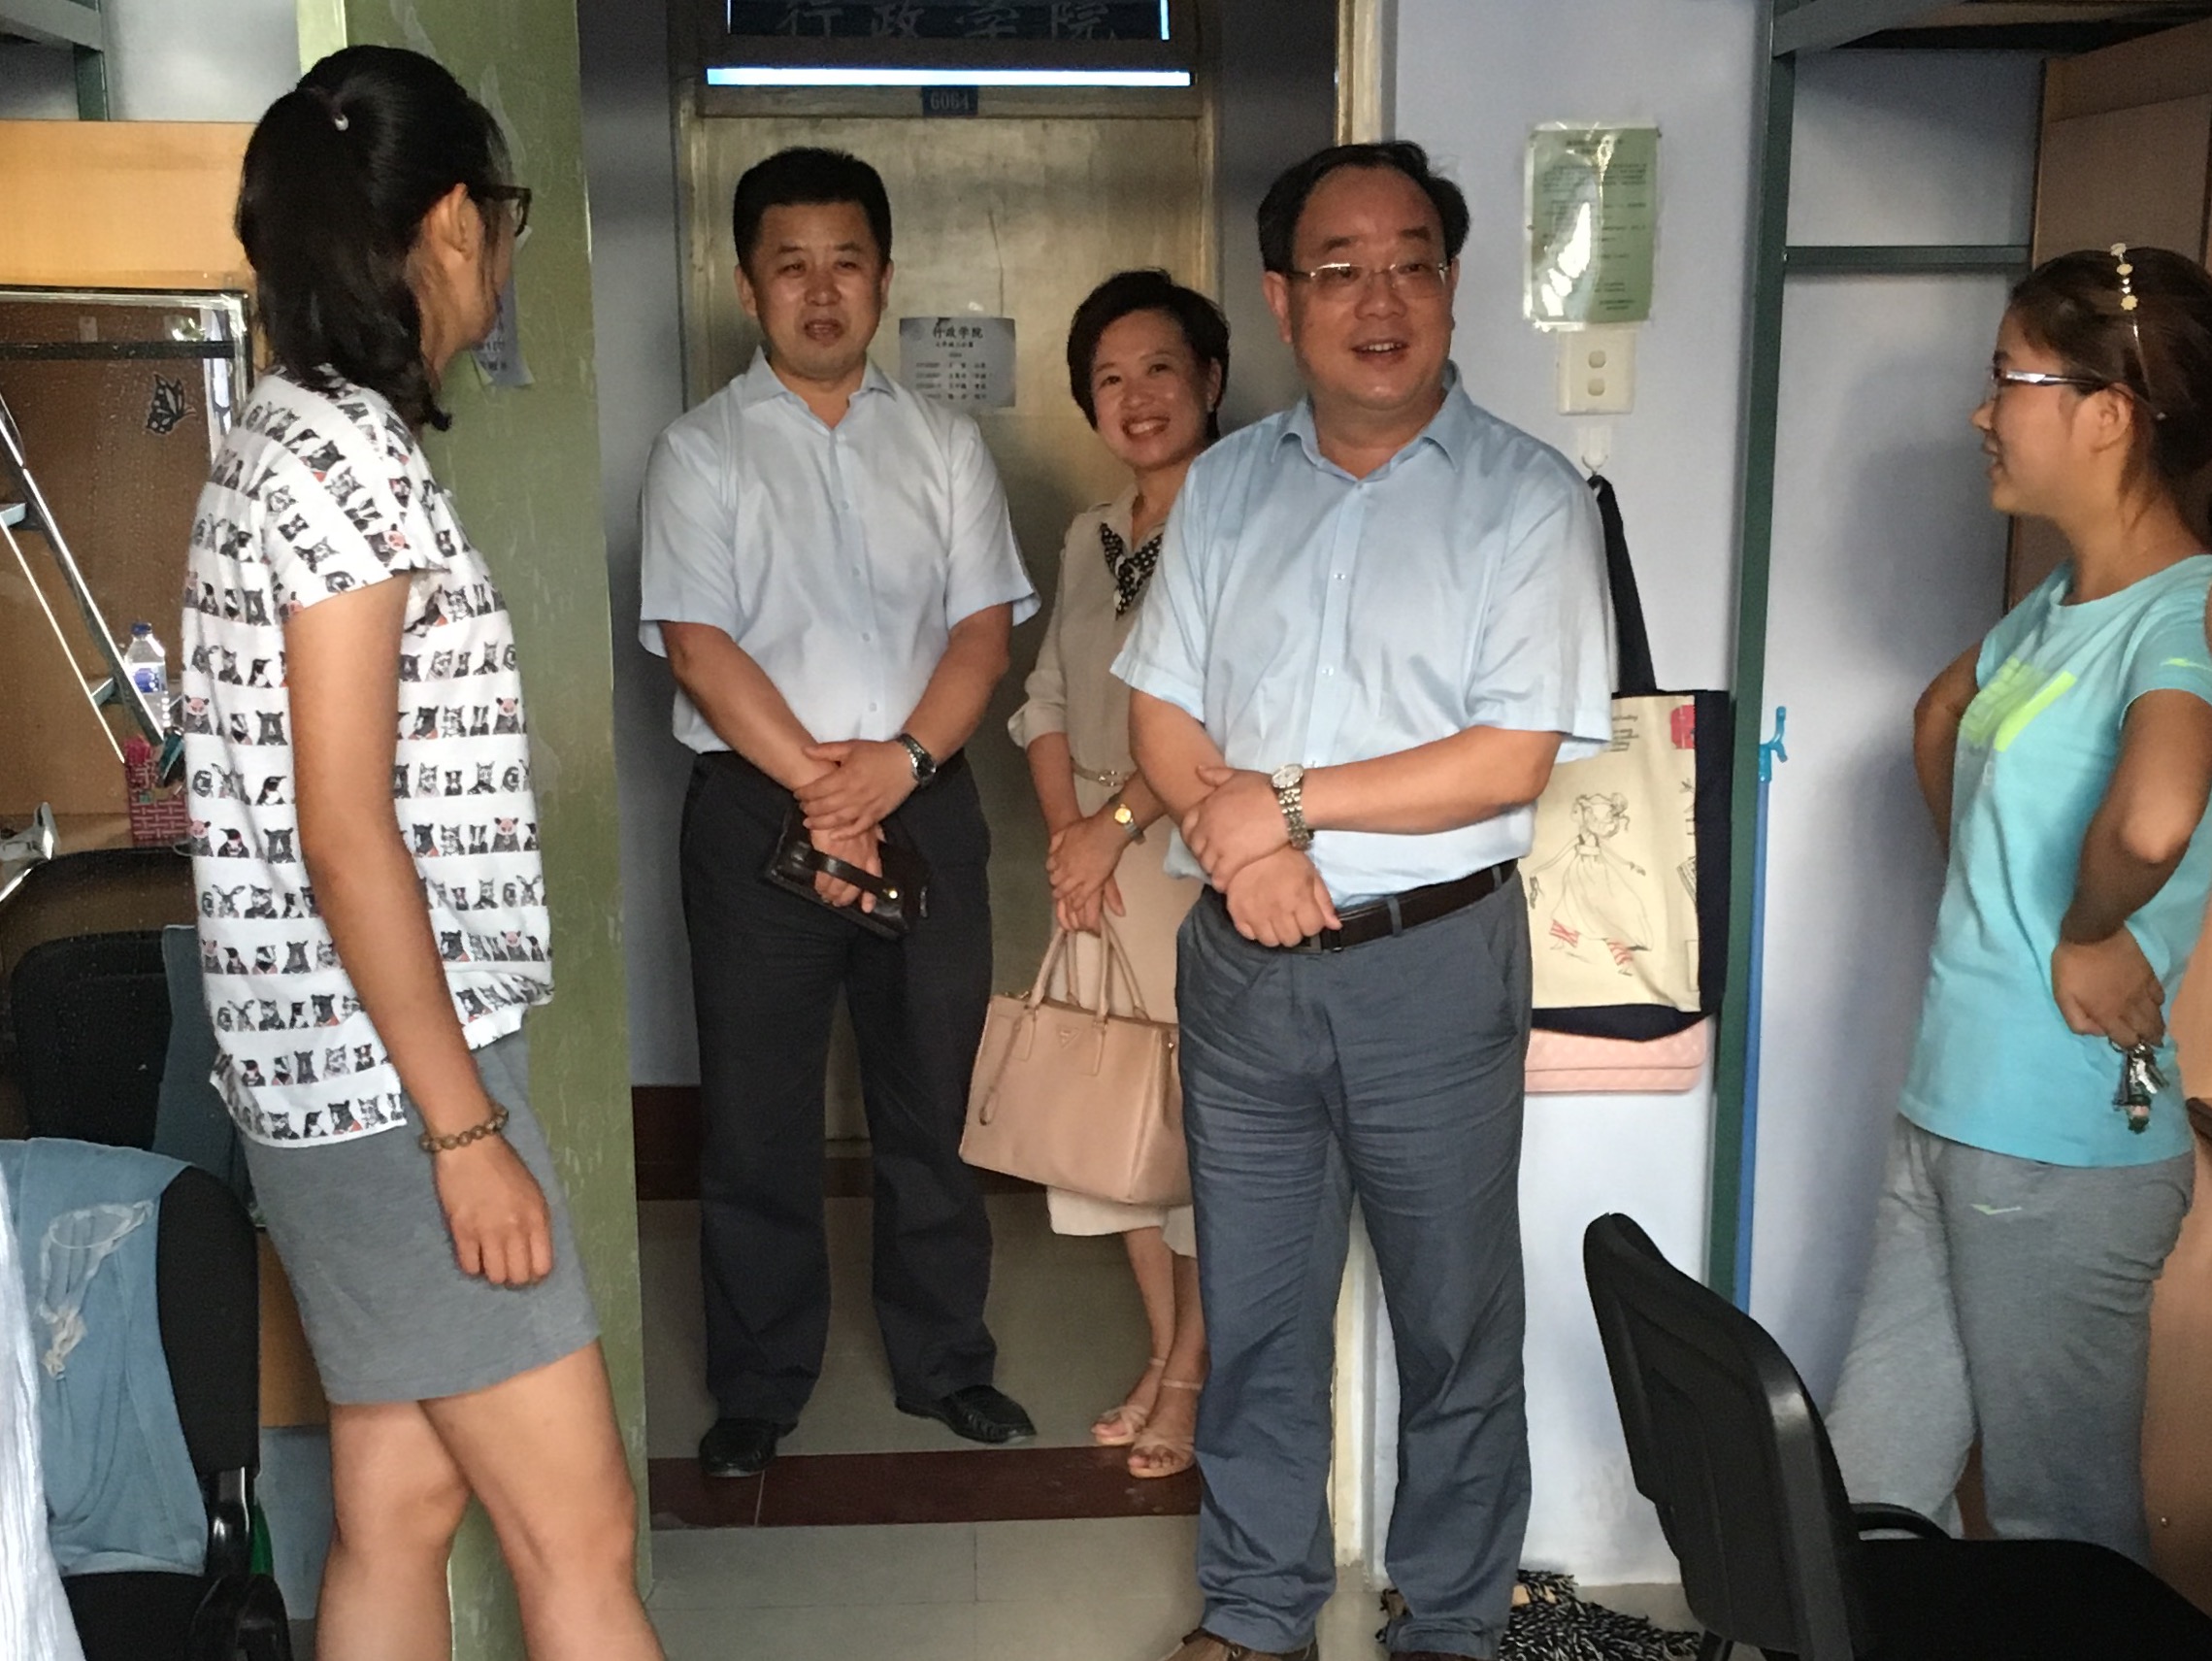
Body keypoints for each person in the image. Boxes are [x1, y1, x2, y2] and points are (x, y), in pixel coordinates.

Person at [184, 48, 660, 1661]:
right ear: (453, 221)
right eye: (501, 222)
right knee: (578, 1539)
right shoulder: (350, 462)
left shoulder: (272, 438)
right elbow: (344, 829)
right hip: (394, 1084)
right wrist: (463, 1133)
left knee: (398, 1504)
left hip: (318, 1074)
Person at [1116, 142, 1613, 1661]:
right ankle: (1256, 1604)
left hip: (1429, 963)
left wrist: (1283, 805)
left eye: (1410, 265)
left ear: (1450, 288)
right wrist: (1253, 857)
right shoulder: (1224, 486)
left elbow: (1508, 753)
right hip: (1241, 969)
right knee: (1257, 1307)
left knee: (1450, 1316)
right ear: (1282, 299)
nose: (1378, 300)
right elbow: (1162, 710)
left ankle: (1449, 1616)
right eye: (1339, 270)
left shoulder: (1526, 498)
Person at [639, 147, 1039, 1479]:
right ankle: (758, 1381)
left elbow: (981, 632)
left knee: (932, 1099)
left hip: (923, 803)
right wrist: (827, 787)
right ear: (745, 285)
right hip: (756, 817)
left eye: (845, 262)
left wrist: (899, 768)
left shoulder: (942, 444)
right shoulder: (700, 450)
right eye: (790, 265)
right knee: (757, 1115)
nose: (820, 291)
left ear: (883, 276)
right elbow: (696, 646)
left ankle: (945, 1360)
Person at [1825, 245, 2212, 1564]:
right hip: (1947, 1110)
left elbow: (2156, 815)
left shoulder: (2182, 615)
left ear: (2108, 413)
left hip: (2060, 1146)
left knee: (2060, 1535)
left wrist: (2089, 932)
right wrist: (1996, 891)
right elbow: (1939, 712)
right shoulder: (2060, 600)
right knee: (1871, 1501)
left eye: (2008, 380)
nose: (1980, 411)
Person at [1009, 270, 1228, 1481]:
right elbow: (1045, 695)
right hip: (1093, 865)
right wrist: (1070, 840)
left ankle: (1188, 1374)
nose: (1135, 396)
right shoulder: (1090, 534)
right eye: (1108, 378)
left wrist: (1114, 826)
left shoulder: (1242, 521)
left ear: (1209, 378)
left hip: (1193, 860)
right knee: (1112, 1135)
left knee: (1196, 1134)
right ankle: (1162, 1351)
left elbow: (1231, 717)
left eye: (1158, 369)